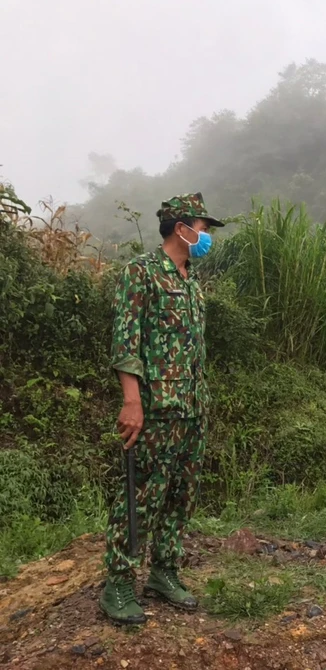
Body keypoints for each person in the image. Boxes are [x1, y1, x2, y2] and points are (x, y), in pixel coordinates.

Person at [100, 193, 222, 625]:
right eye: (204, 229)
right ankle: (117, 583)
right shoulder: (142, 272)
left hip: (191, 409)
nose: (207, 237)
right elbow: (125, 341)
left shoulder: (189, 281)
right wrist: (132, 401)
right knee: (141, 496)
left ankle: (163, 573)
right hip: (155, 410)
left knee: (179, 496)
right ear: (181, 227)